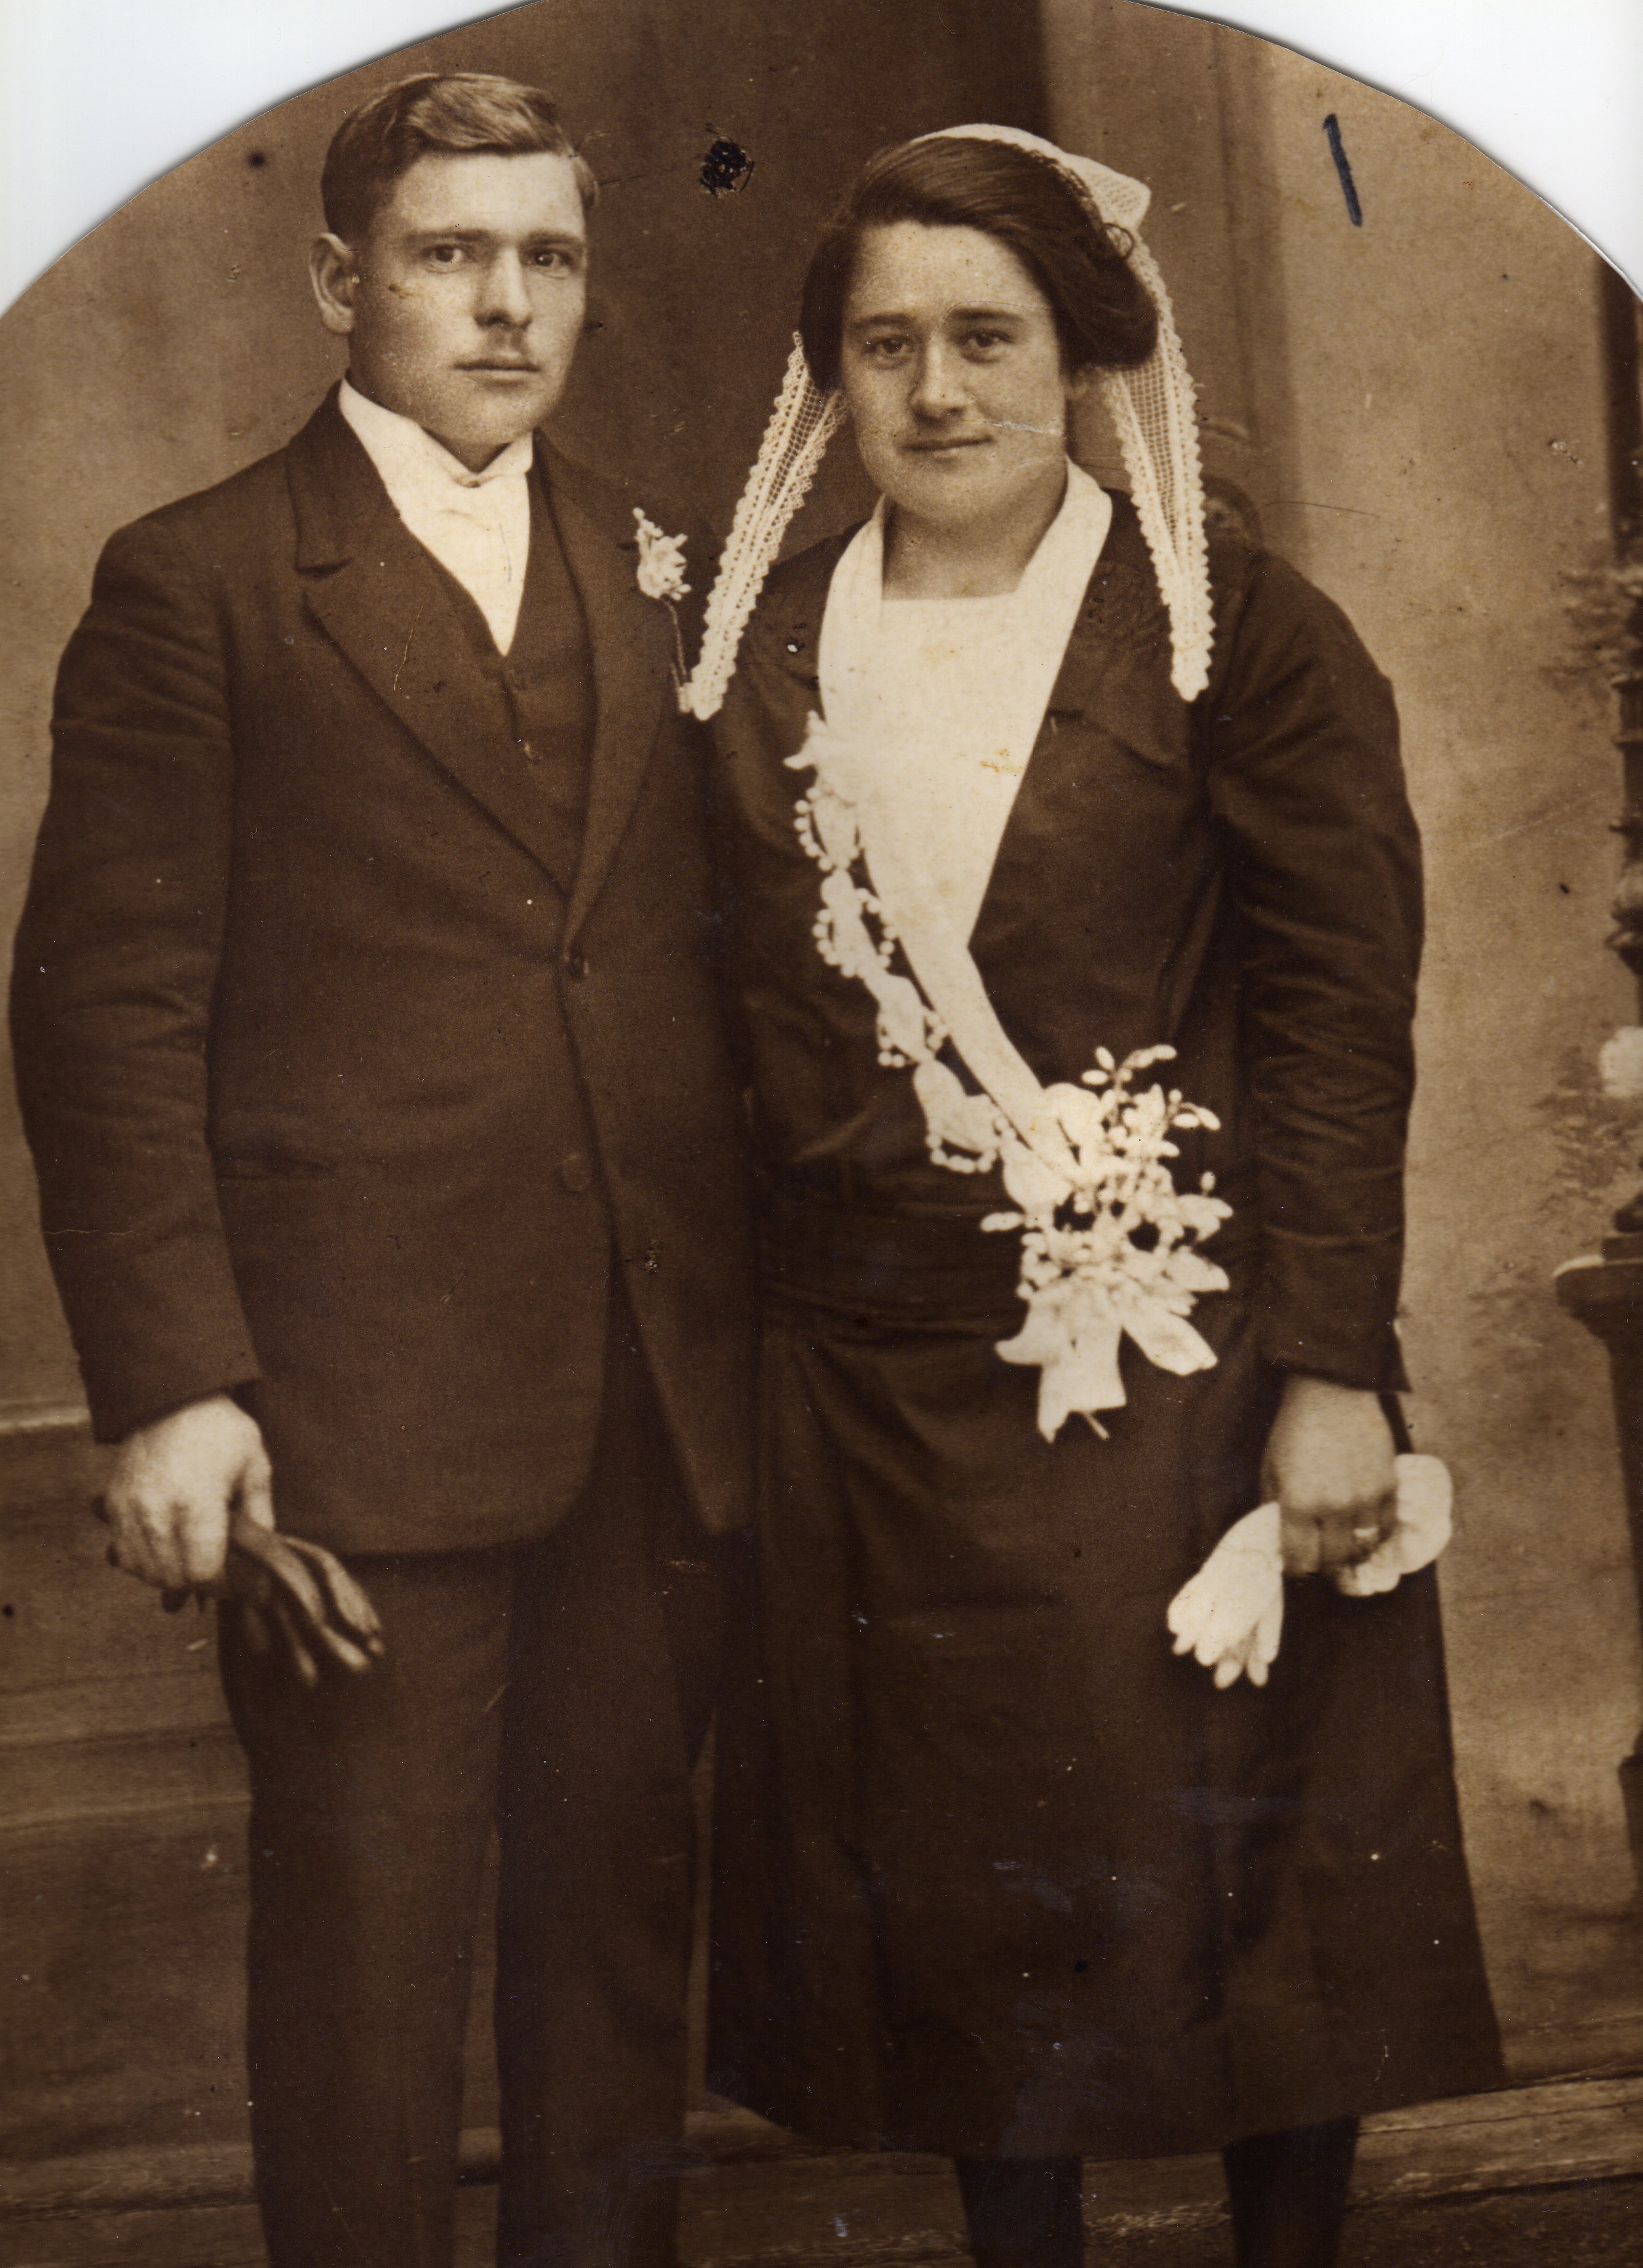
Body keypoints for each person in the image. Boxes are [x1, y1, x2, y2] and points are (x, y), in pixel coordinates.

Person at [690, 127, 1502, 2268]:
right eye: (885, 345)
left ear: (1081, 358)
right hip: (881, 1401)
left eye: (986, 337)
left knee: (1257, 1882)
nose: (936, 390)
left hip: (1196, 1371)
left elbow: (1337, 1015)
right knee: (970, 1906)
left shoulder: (1227, 632)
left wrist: (1331, 1366)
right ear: (829, 378)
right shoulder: (755, 655)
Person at [9, 72, 753, 2268]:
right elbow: (103, 1011)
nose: (507, 305)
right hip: (354, 1420)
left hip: (648, 1394)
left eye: (548, 258)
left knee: (616, 1963)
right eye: (450, 255)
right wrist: (177, 1386)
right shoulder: (203, 581)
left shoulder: (654, 561)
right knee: (367, 1975)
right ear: (343, 281)